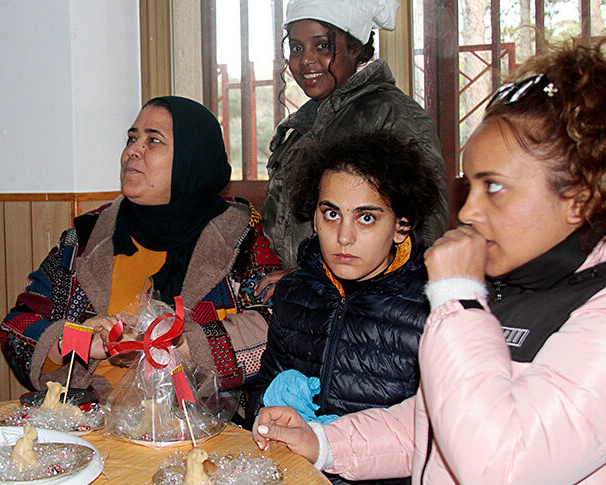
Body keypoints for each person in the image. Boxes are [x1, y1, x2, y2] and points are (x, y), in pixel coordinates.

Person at [253, 42, 606, 483]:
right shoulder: (511, 288)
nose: (470, 212)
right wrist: (323, 442)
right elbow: (430, 426)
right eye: (470, 186)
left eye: (494, 187)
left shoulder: (592, 315)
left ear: (578, 198)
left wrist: (458, 298)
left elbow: (499, 466)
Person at [0, 96, 282, 400]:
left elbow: (276, 325)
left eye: (153, 141)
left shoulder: (240, 237)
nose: (132, 150)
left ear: (192, 157)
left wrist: (179, 343)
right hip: (94, 419)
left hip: (197, 428)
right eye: (132, 138)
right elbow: (18, 325)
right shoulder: (86, 236)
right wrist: (79, 342)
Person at [248, 132, 439, 485]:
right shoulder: (294, 293)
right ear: (315, 218)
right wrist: (268, 416)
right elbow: (263, 391)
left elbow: (434, 438)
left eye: (366, 218)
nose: (344, 237)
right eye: (332, 213)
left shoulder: (433, 306)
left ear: (401, 225)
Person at [260, 0, 449, 275]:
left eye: (322, 46)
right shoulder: (300, 129)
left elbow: (427, 235)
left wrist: (309, 281)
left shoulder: (392, 115)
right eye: (297, 48)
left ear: (355, 47)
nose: (306, 60)